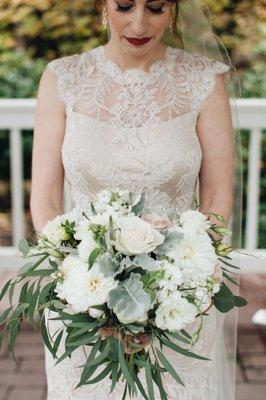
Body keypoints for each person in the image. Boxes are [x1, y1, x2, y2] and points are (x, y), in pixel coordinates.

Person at [30, 1, 241, 399]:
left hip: (179, 300)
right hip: (83, 297)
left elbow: (215, 198)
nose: (139, 22)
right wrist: (78, 276)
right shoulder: (63, 78)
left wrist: (180, 285)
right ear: (102, 6)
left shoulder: (204, 80)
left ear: (174, 11)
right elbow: (43, 199)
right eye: (124, 5)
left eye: (156, 7)